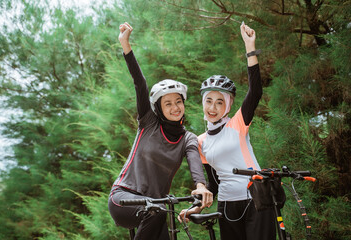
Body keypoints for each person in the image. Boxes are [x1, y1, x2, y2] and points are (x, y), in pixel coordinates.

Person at [108, 22, 213, 240]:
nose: (175, 107)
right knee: (156, 212)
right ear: (158, 108)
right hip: (123, 197)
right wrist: (125, 44)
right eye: (168, 104)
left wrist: (201, 186)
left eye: (178, 102)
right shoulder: (149, 122)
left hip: (155, 206)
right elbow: (140, 83)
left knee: (161, 220)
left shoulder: (188, 138)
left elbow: (195, 165)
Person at [179, 22, 276, 240]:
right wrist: (196, 208)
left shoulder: (238, 124)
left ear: (228, 106)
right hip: (226, 206)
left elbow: (255, 91)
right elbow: (212, 184)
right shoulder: (200, 141)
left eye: (219, 103)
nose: (213, 108)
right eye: (209, 101)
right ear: (203, 103)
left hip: (256, 200)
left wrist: (250, 47)